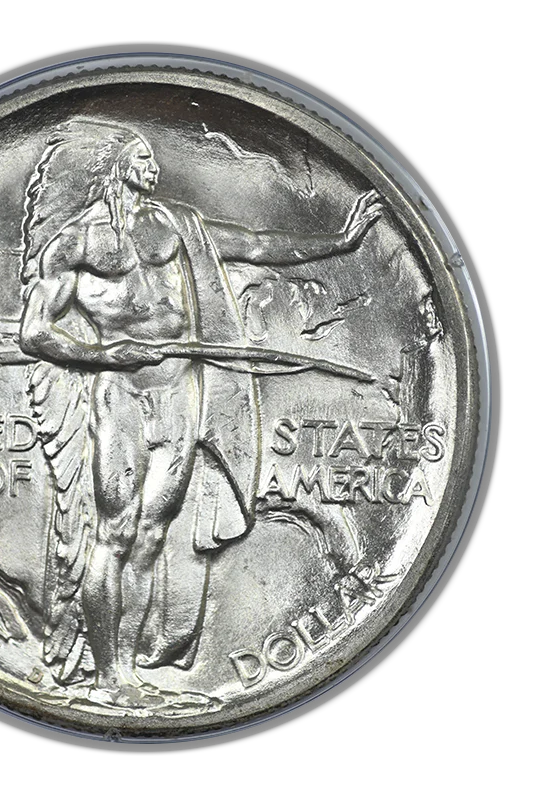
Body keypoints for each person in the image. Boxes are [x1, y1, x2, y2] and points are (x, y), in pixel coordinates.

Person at [19, 119, 382, 706]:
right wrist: (105, 353)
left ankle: (129, 678)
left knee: (151, 535)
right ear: (114, 165)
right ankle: (108, 680)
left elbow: (254, 245)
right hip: (121, 394)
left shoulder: (176, 224)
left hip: (181, 391)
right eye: (142, 157)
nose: (154, 167)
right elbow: (34, 333)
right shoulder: (75, 244)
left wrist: (338, 242)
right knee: (115, 532)